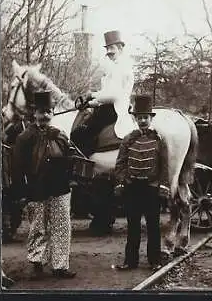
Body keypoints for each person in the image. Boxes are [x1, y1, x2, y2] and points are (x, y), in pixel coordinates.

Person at [12, 91, 76, 279]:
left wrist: (70, 178)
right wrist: (21, 192)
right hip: (35, 189)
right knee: (37, 227)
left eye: (48, 111)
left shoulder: (60, 136)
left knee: (62, 226)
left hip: (60, 188)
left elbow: (70, 159)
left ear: (53, 113)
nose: (45, 115)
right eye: (41, 112)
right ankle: (37, 264)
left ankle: (60, 265)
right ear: (35, 114)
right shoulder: (24, 138)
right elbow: (17, 167)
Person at [113, 95, 169, 271]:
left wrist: (163, 185)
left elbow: (164, 165)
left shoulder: (159, 139)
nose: (143, 121)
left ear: (151, 118)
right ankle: (130, 261)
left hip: (151, 188)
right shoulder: (128, 139)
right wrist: (123, 180)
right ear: (135, 119)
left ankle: (154, 260)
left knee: (153, 226)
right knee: (133, 226)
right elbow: (120, 164)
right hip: (133, 189)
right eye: (139, 118)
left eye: (146, 117)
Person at [71, 30, 136, 156]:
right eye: (107, 49)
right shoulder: (114, 67)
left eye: (112, 48)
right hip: (106, 107)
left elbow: (114, 95)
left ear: (120, 48)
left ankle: (85, 165)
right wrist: (91, 103)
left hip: (114, 110)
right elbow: (105, 94)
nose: (109, 52)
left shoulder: (122, 67)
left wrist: (93, 95)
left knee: (79, 134)